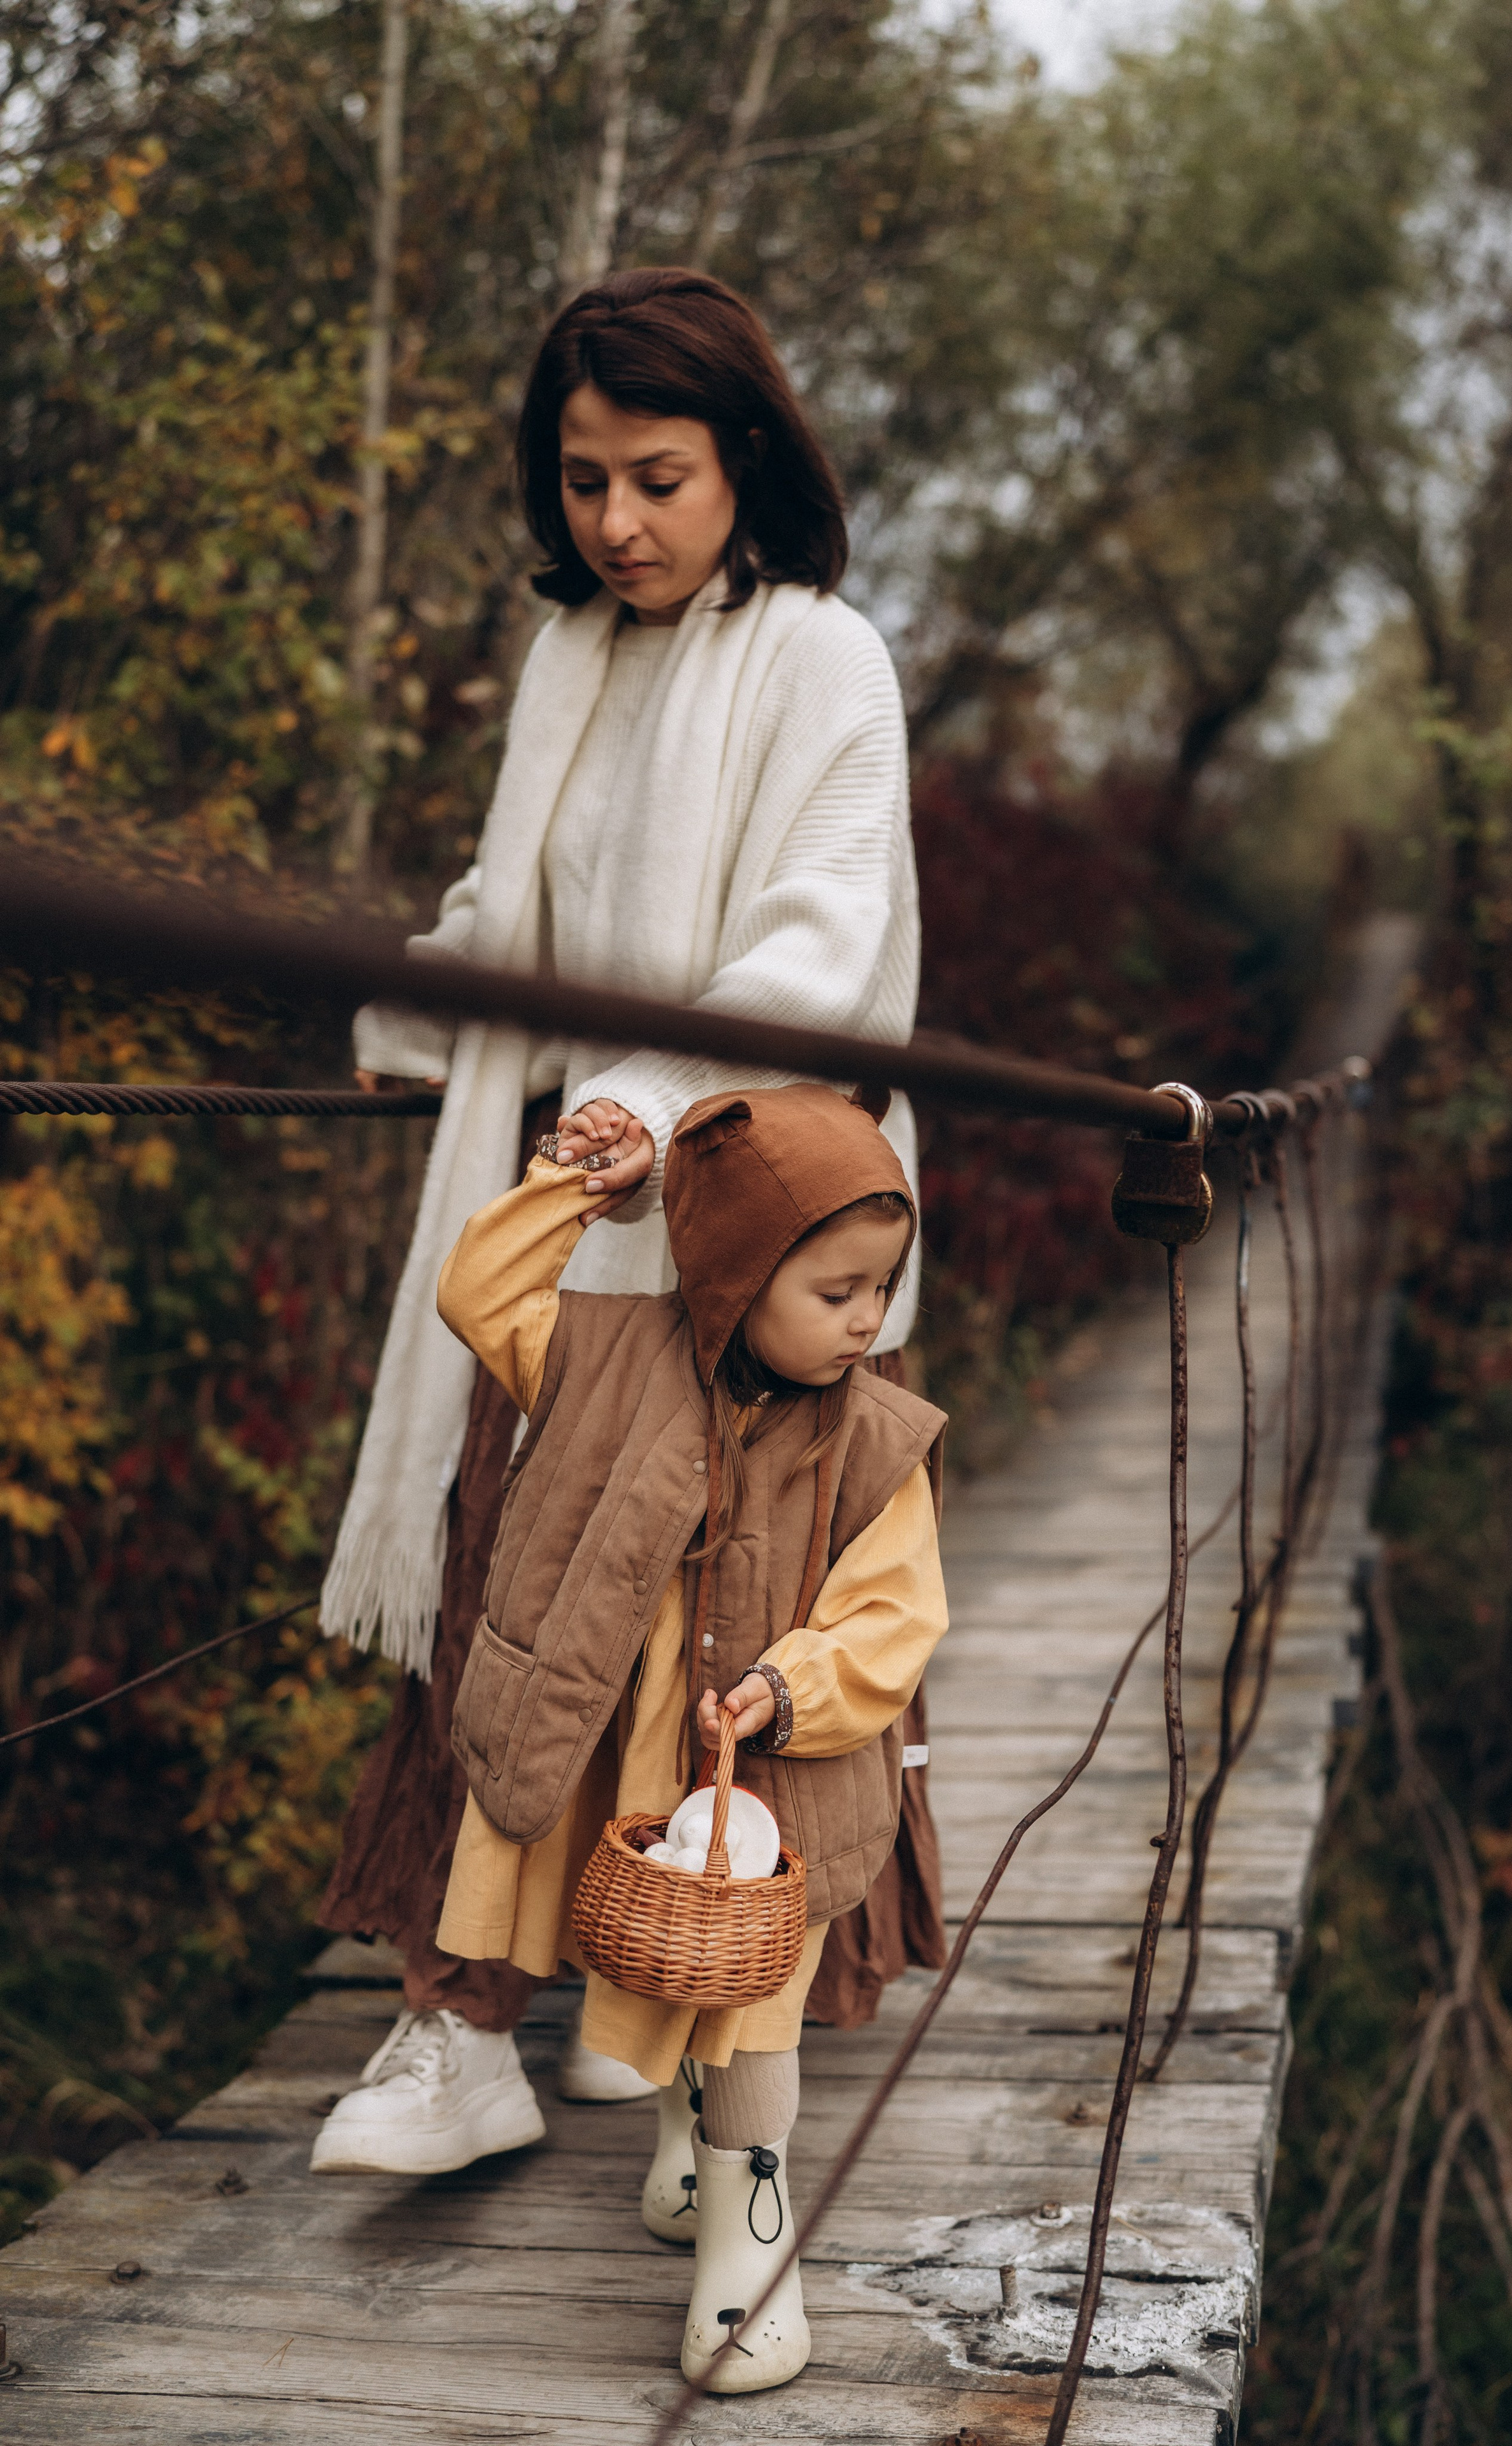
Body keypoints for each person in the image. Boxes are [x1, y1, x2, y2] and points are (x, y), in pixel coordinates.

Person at [311, 267, 940, 2172]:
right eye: (583, 479)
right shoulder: (574, 654)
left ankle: (679, 2040)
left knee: (728, 1641)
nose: (615, 522)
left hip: (749, 1241)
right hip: (581, 1226)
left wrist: (642, 1111)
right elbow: (521, 915)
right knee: (524, 1602)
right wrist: (395, 1023)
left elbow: (816, 957)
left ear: (748, 457)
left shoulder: (826, 658)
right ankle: (466, 2035)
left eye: (657, 477)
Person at [315, 1085, 949, 2396]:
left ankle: (744, 2234)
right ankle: (679, 2138)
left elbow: (897, 1615)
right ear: (730, 1271)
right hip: (619, 1732)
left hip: (768, 1771)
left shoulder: (875, 1435)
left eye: (880, 1286)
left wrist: (797, 1683)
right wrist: (575, 1186)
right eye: (834, 1289)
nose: (867, 1318)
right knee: (657, 1943)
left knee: (750, 2001)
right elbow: (476, 1292)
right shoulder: (602, 1353)